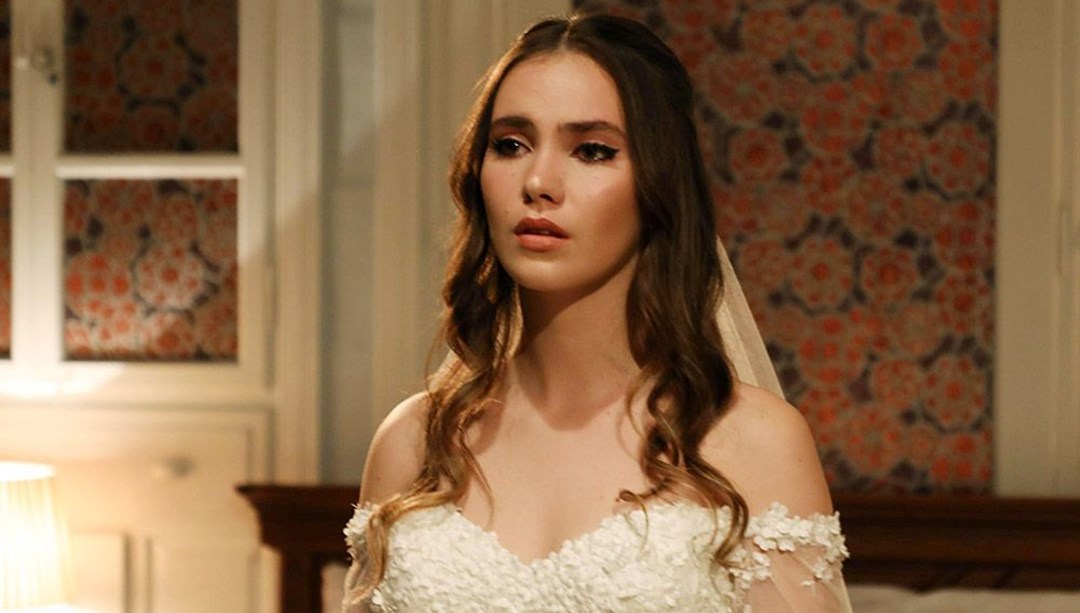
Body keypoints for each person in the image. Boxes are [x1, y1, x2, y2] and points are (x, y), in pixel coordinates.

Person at [343, 12, 851, 612]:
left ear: (659, 185)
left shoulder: (754, 443)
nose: (538, 181)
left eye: (592, 150)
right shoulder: (412, 443)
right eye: (510, 145)